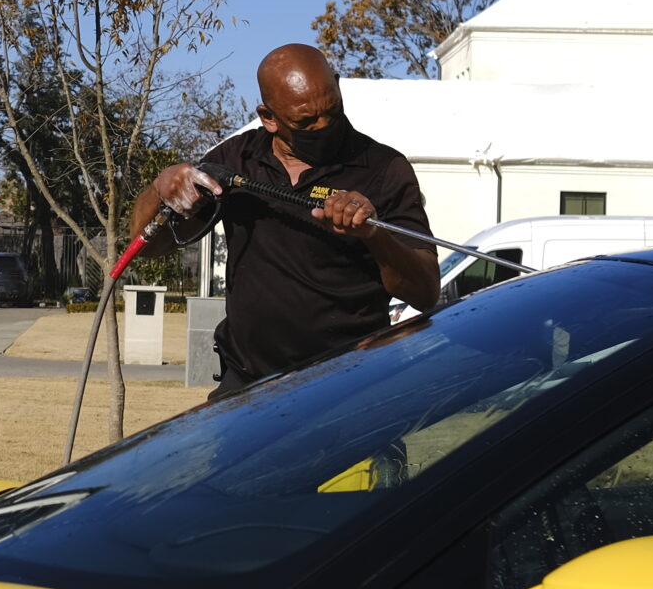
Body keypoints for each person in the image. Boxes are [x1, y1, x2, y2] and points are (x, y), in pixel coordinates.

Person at [130, 44, 438, 398]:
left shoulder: (384, 169)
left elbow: (426, 292)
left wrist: (374, 235)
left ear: (338, 86)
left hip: (349, 389)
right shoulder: (236, 159)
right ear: (269, 117)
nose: (324, 126)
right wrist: (160, 188)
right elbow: (145, 246)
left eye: (332, 111)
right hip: (246, 386)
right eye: (305, 123)